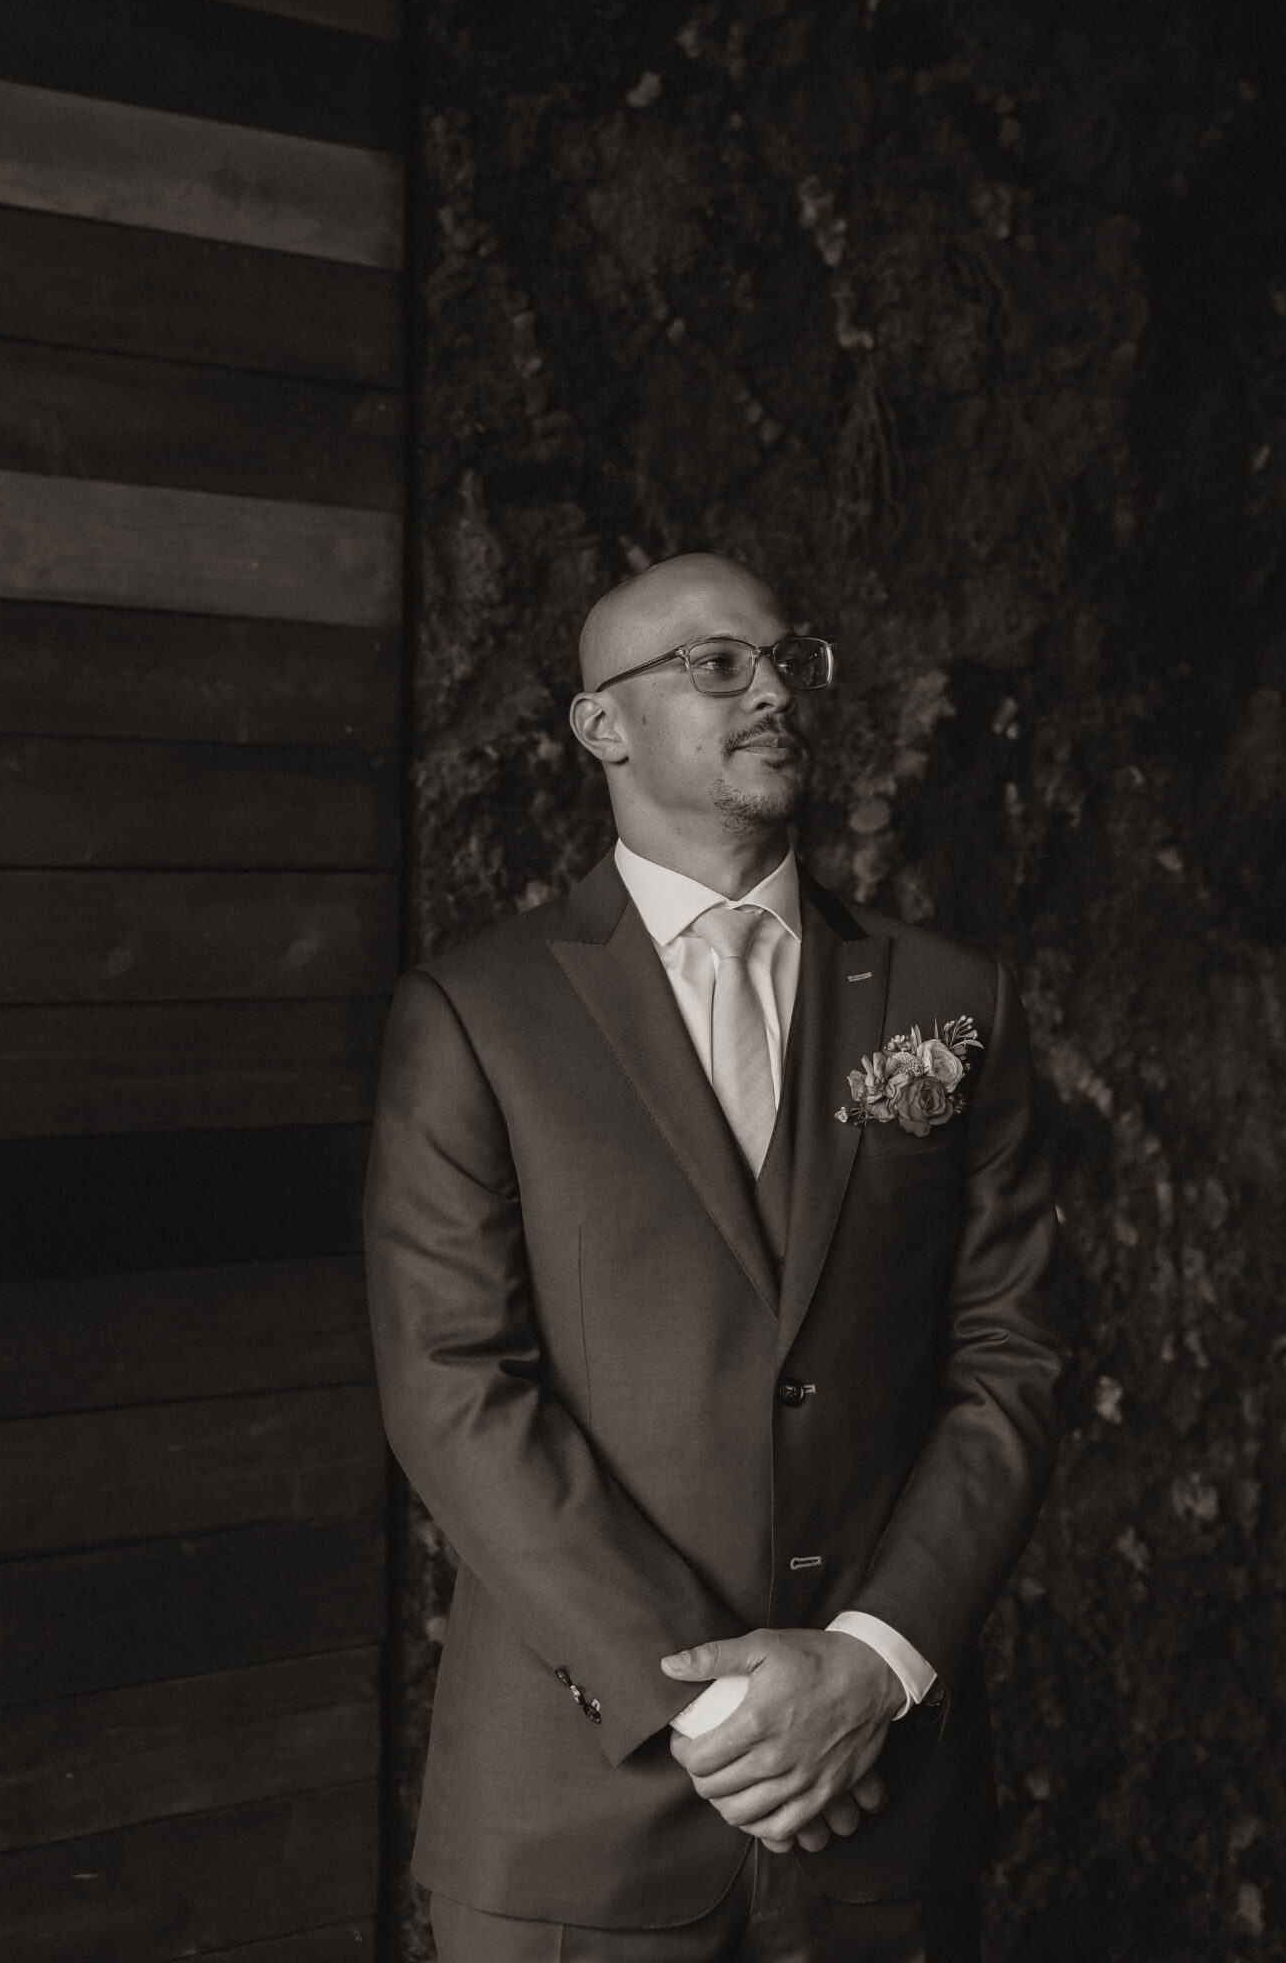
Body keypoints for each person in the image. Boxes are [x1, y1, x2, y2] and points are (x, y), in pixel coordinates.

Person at [364, 553, 1067, 1960]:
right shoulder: (474, 1013)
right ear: (601, 728)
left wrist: (872, 1664)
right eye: (713, 666)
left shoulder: (948, 1000)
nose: (771, 694)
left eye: (786, 661)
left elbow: (1013, 1358)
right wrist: (722, 1710)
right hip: (577, 1807)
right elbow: (455, 1387)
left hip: (881, 1793)